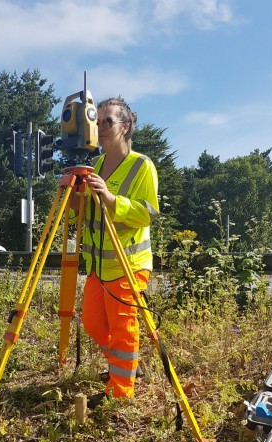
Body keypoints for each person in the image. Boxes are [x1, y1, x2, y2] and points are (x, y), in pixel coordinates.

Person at [69, 96, 159, 408]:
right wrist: (73, 200)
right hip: (99, 265)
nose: (101, 128)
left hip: (127, 264)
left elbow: (146, 214)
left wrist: (110, 198)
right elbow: (84, 217)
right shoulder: (93, 166)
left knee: (123, 328)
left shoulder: (141, 165)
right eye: (98, 122)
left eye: (108, 121)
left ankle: (120, 391)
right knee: (93, 323)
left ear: (125, 126)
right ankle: (127, 367)